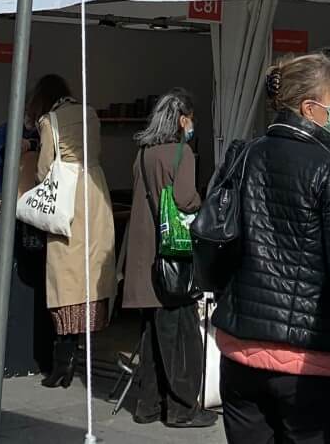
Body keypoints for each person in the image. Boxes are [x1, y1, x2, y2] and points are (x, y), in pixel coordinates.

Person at [214, 50, 330, 444]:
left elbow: (218, 238)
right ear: (310, 108)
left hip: (240, 347)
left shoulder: (243, 154)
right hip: (310, 359)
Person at [125, 88, 214, 428]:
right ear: (182, 119)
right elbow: (186, 199)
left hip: (145, 258)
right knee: (180, 336)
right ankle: (181, 410)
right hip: (173, 258)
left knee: (152, 336)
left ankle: (147, 406)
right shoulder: (182, 153)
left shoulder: (143, 154)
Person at [30, 73, 116, 390]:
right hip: (96, 194)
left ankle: (62, 361)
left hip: (68, 201)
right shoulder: (90, 113)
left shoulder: (48, 121)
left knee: (64, 280)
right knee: (90, 274)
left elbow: (43, 169)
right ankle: (79, 353)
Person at [0, 115, 39, 197]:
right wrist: (5, 151)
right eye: (27, 112)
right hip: (4, 198)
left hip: (37, 198)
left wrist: (32, 145)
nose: (31, 117)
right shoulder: (6, 130)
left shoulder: (48, 130)